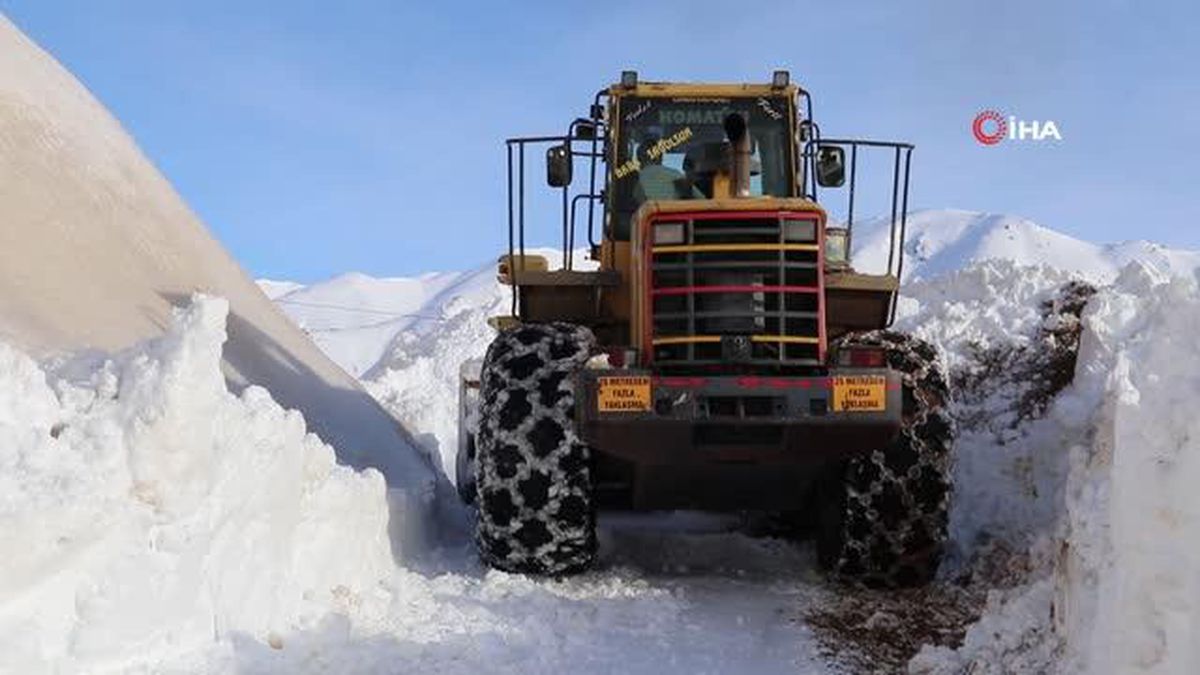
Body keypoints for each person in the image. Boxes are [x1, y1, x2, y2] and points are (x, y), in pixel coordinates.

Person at [633, 136, 703, 203]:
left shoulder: (636, 182)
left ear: (639, 160)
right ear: (659, 157)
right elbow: (702, 200)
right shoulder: (675, 175)